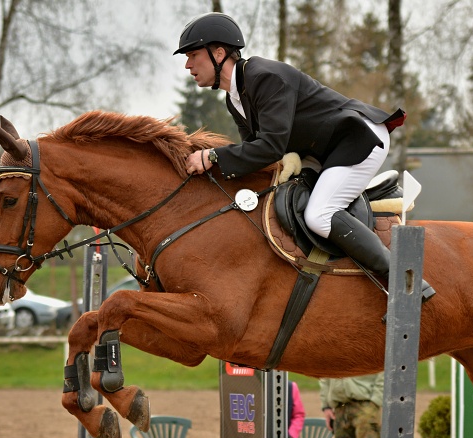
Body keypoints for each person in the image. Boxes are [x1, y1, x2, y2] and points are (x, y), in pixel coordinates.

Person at [175, 12, 434, 299]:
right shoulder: (235, 98)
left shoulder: (265, 77)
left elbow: (271, 146)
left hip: (357, 140)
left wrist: (212, 157)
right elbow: (257, 154)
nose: (188, 65)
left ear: (219, 53)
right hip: (326, 149)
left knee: (319, 216)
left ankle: (404, 280)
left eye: (193, 55)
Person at [320, 373, 384, 438]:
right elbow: (325, 372)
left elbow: (384, 369)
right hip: (339, 408)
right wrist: (326, 406)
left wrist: (375, 400)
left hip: (364, 405)